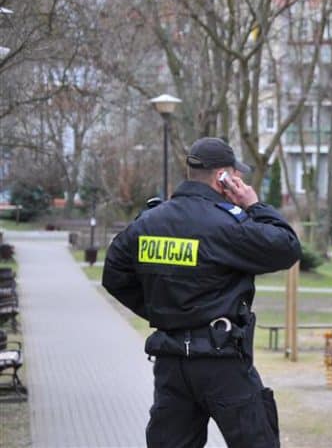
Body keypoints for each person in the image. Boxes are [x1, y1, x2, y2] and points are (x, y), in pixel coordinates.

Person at [102, 137, 301, 448]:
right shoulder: (226, 225)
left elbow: (114, 275)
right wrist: (253, 204)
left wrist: (165, 313)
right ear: (224, 176)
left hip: (171, 363)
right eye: (238, 175)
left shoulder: (150, 222)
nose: (241, 181)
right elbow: (286, 247)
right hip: (221, 361)